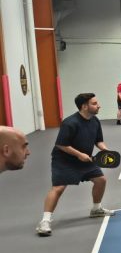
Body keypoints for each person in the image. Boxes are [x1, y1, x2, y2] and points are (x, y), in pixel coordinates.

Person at [36, 93, 114, 237]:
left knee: (101, 180)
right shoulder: (70, 123)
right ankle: (45, 221)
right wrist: (79, 155)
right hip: (64, 161)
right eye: (95, 103)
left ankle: (96, 209)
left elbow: (98, 141)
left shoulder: (95, 121)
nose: (99, 106)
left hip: (86, 159)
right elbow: (61, 144)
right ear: (84, 106)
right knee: (58, 188)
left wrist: (105, 150)